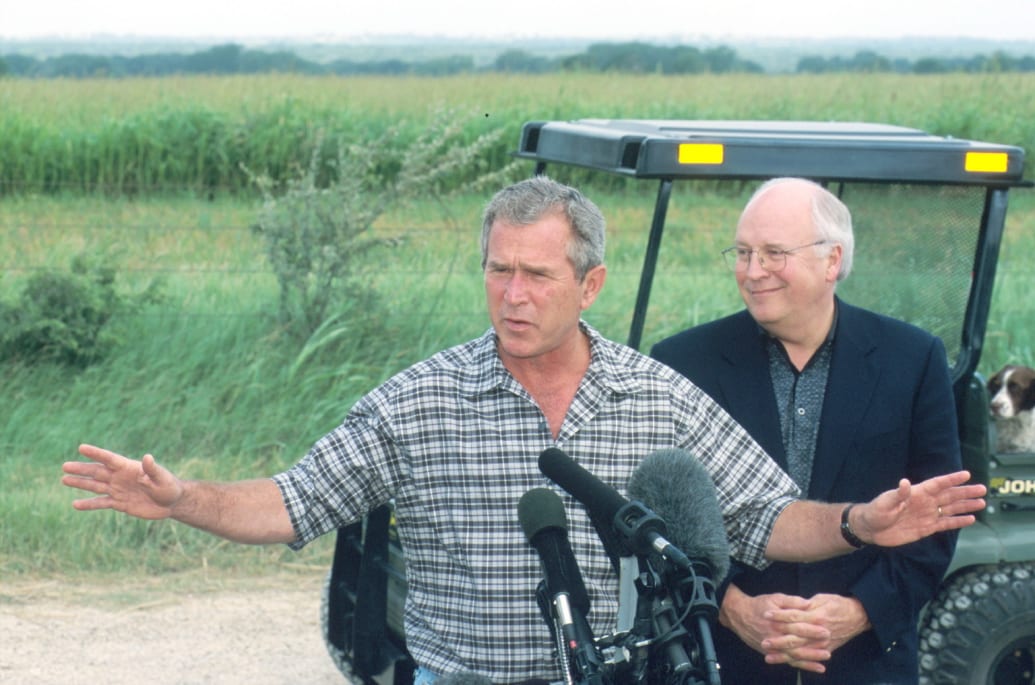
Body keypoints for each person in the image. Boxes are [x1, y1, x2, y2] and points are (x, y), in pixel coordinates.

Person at [63, 176, 984, 685]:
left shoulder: (654, 393)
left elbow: (764, 517)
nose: (512, 294)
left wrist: (862, 523)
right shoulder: (419, 401)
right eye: (498, 270)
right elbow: (293, 502)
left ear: (588, 286)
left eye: (537, 274)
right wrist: (183, 499)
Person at [651, 177, 964, 684]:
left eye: (775, 253)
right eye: (744, 252)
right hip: (722, 660)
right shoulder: (682, 364)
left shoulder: (913, 359)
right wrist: (732, 608)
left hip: (865, 665)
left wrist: (861, 611)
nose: (753, 272)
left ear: (832, 261)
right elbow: (659, 519)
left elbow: (937, 517)